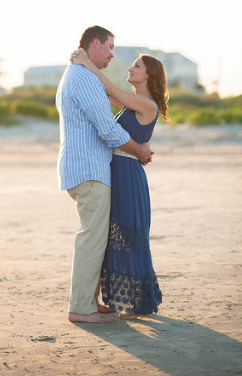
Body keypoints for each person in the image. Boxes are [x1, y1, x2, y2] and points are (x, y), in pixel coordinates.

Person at [56, 25, 153, 324]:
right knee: (92, 239)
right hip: (89, 170)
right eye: (110, 47)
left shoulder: (82, 74)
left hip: (90, 168)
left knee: (97, 238)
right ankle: (81, 307)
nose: (113, 54)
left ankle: (90, 301)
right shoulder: (82, 77)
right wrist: (139, 150)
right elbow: (109, 129)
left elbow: (115, 100)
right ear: (95, 44)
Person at [71, 47, 169, 318]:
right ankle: (117, 299)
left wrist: (87, 64)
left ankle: (140, 304)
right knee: (114, 236)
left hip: (128, 174)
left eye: (136, 65)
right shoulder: (133, 103)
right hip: (118, 170)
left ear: (149, 74)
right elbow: (105, 96)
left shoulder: (146, 104)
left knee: (129, 236)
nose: (130, 68)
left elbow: (111, 89)